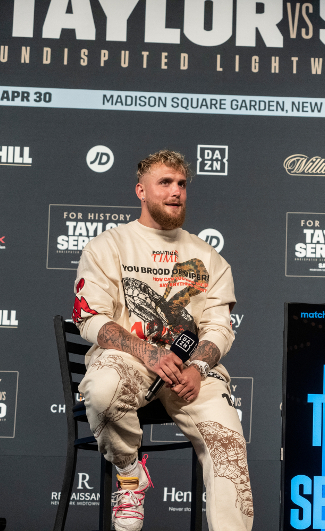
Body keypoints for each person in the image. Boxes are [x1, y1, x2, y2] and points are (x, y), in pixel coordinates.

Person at [72, 150, 253, 531]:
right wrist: (147, 352)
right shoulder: (108, 246)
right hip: (130, 361)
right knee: (102, 389)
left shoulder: (209, 257)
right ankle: (129, 474)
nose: (176, 192)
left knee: (228, 447)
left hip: (191, 373)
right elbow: (90, 317)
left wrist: (200, 366)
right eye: (165, 183)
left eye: (182, 184)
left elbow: (220, 326)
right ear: (141, 190)